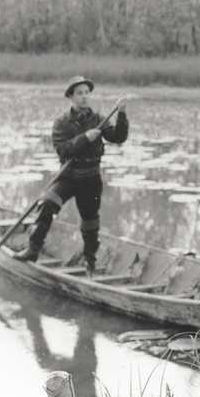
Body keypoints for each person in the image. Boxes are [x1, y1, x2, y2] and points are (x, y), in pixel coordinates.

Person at [13, 76, 129, 272]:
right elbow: (63, 150)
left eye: (86, 93)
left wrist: (122, 114)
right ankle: (33, 249)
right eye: (79, 93)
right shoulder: (62, 123)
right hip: (68, 176)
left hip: (91, 178)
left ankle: (90, 260)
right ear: (71, 97)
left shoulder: (99, 119)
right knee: (47, 204)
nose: (84, 97)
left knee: (90, 221)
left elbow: (118, 137)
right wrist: (84, 138)